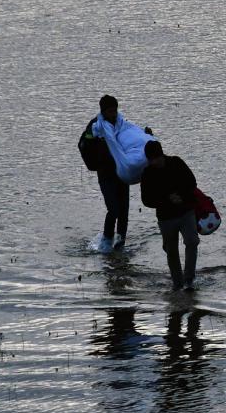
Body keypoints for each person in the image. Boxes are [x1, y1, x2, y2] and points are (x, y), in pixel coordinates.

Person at [140, 141, 200, 291]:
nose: (156, 162)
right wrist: (167, 199)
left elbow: (192, 182)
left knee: (192, 241)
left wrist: (181, 196)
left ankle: (189, 279)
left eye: (157, 158)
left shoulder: (176, 163)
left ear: (162, 155)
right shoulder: (147, 174)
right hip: (166, 218)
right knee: (171, 251)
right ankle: (177, 283)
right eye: (152, 159)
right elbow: (146, 200)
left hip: (186, 212)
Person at [84, 95, 129, 252]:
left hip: (122, 173)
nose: (113, 114)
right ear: (103, 112)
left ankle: (120, 244)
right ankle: (106, 242)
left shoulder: (121, 124)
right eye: (110, 111)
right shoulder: (95, 126)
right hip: (105, 175)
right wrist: (95, 164)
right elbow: (84, 144)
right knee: (113, 209)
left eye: (115, 111)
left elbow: (132, 138)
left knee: (124, 211)